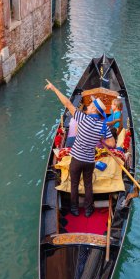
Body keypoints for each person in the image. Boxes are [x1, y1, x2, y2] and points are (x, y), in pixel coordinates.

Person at [45, 80, 115, 217]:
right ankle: (89, 210)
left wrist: (54, 89)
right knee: (88, 185)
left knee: (74, 184)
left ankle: (74, 209)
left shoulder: (82, 118)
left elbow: (67, 103)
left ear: (94, 109)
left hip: (76, 159)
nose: (88, 105)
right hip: (89, 161)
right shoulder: (103, 126)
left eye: (90, 105)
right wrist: (101, 139)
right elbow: (112, 144)